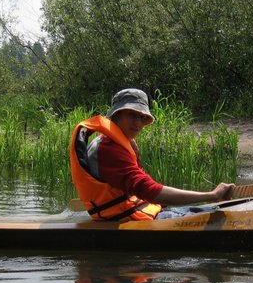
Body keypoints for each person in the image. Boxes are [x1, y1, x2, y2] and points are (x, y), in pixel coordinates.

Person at [69, 88, 235, 221]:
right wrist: (211, 195)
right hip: (125, 221)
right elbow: (149, 191)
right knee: (219, 215)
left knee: (217, 210)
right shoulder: (109, 148)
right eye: (132, 115)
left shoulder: (115, 142)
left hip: (132, 213)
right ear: (116, 115)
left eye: (142, 117)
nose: (138, 123)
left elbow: (143, 190)